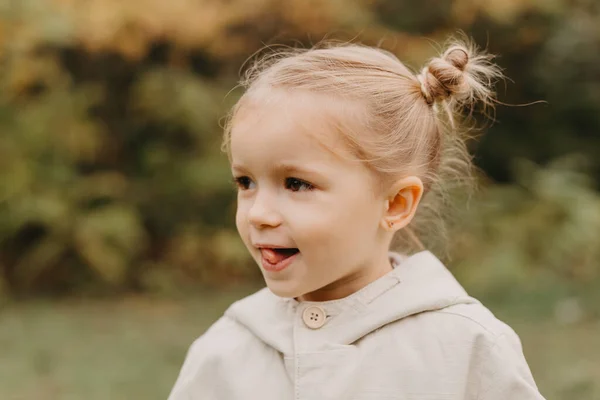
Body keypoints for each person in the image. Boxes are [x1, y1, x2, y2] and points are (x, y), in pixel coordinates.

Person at [168, 36, 547, 400]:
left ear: (395, 204)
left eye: (297, 184)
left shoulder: (465, 347)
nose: (260, 214)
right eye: (245, 181)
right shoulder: (225, 350)